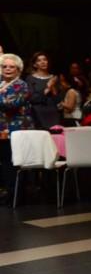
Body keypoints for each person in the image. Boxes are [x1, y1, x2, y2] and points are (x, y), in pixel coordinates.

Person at [0, 52, 33, 204]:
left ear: (18, 69)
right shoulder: (1, 84)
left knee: (14, 163)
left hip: (17, 129)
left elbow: (12, 104)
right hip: (3, 130)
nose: (7, 69)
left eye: (11, 67)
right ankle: (9, 193)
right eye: (4, 66)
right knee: (5, 163)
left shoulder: (21, 85)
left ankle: (16, 196)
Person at [26, 52, 60, 130]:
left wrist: (52, 87)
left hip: (53, 113)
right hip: (37, 114)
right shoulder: (30, 79)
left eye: (45, 59)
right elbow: (33, 99)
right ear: (35, 65)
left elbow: (58, 100)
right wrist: (48, 88)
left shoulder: (54, 78)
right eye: (39, 60)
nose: (43, 62)